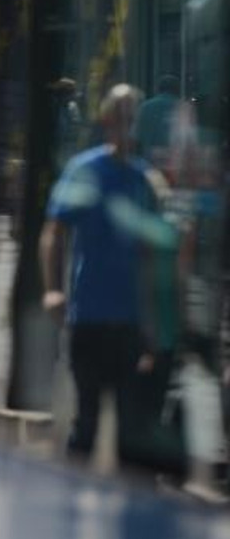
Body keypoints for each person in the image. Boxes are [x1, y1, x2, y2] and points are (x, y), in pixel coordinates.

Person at [40, 84, 178, 469]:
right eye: (119, 117)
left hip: (130, 323)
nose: (125, 126)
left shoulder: (143, 179)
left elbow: (149, 258)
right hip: (89, 317)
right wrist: (52, 290)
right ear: (106, 122)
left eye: (132, 118)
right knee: (85, 424)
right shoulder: (85, 170)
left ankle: (126, 519)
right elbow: (53, 232)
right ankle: (68, 510)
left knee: (130, 431)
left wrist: (152, 326)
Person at [135, 74, 180, 164]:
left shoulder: (146, 106)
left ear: (158, 89)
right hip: (175, 159)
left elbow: (138, 134)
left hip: (150, 158)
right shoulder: (183, 107)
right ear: (177, 89)